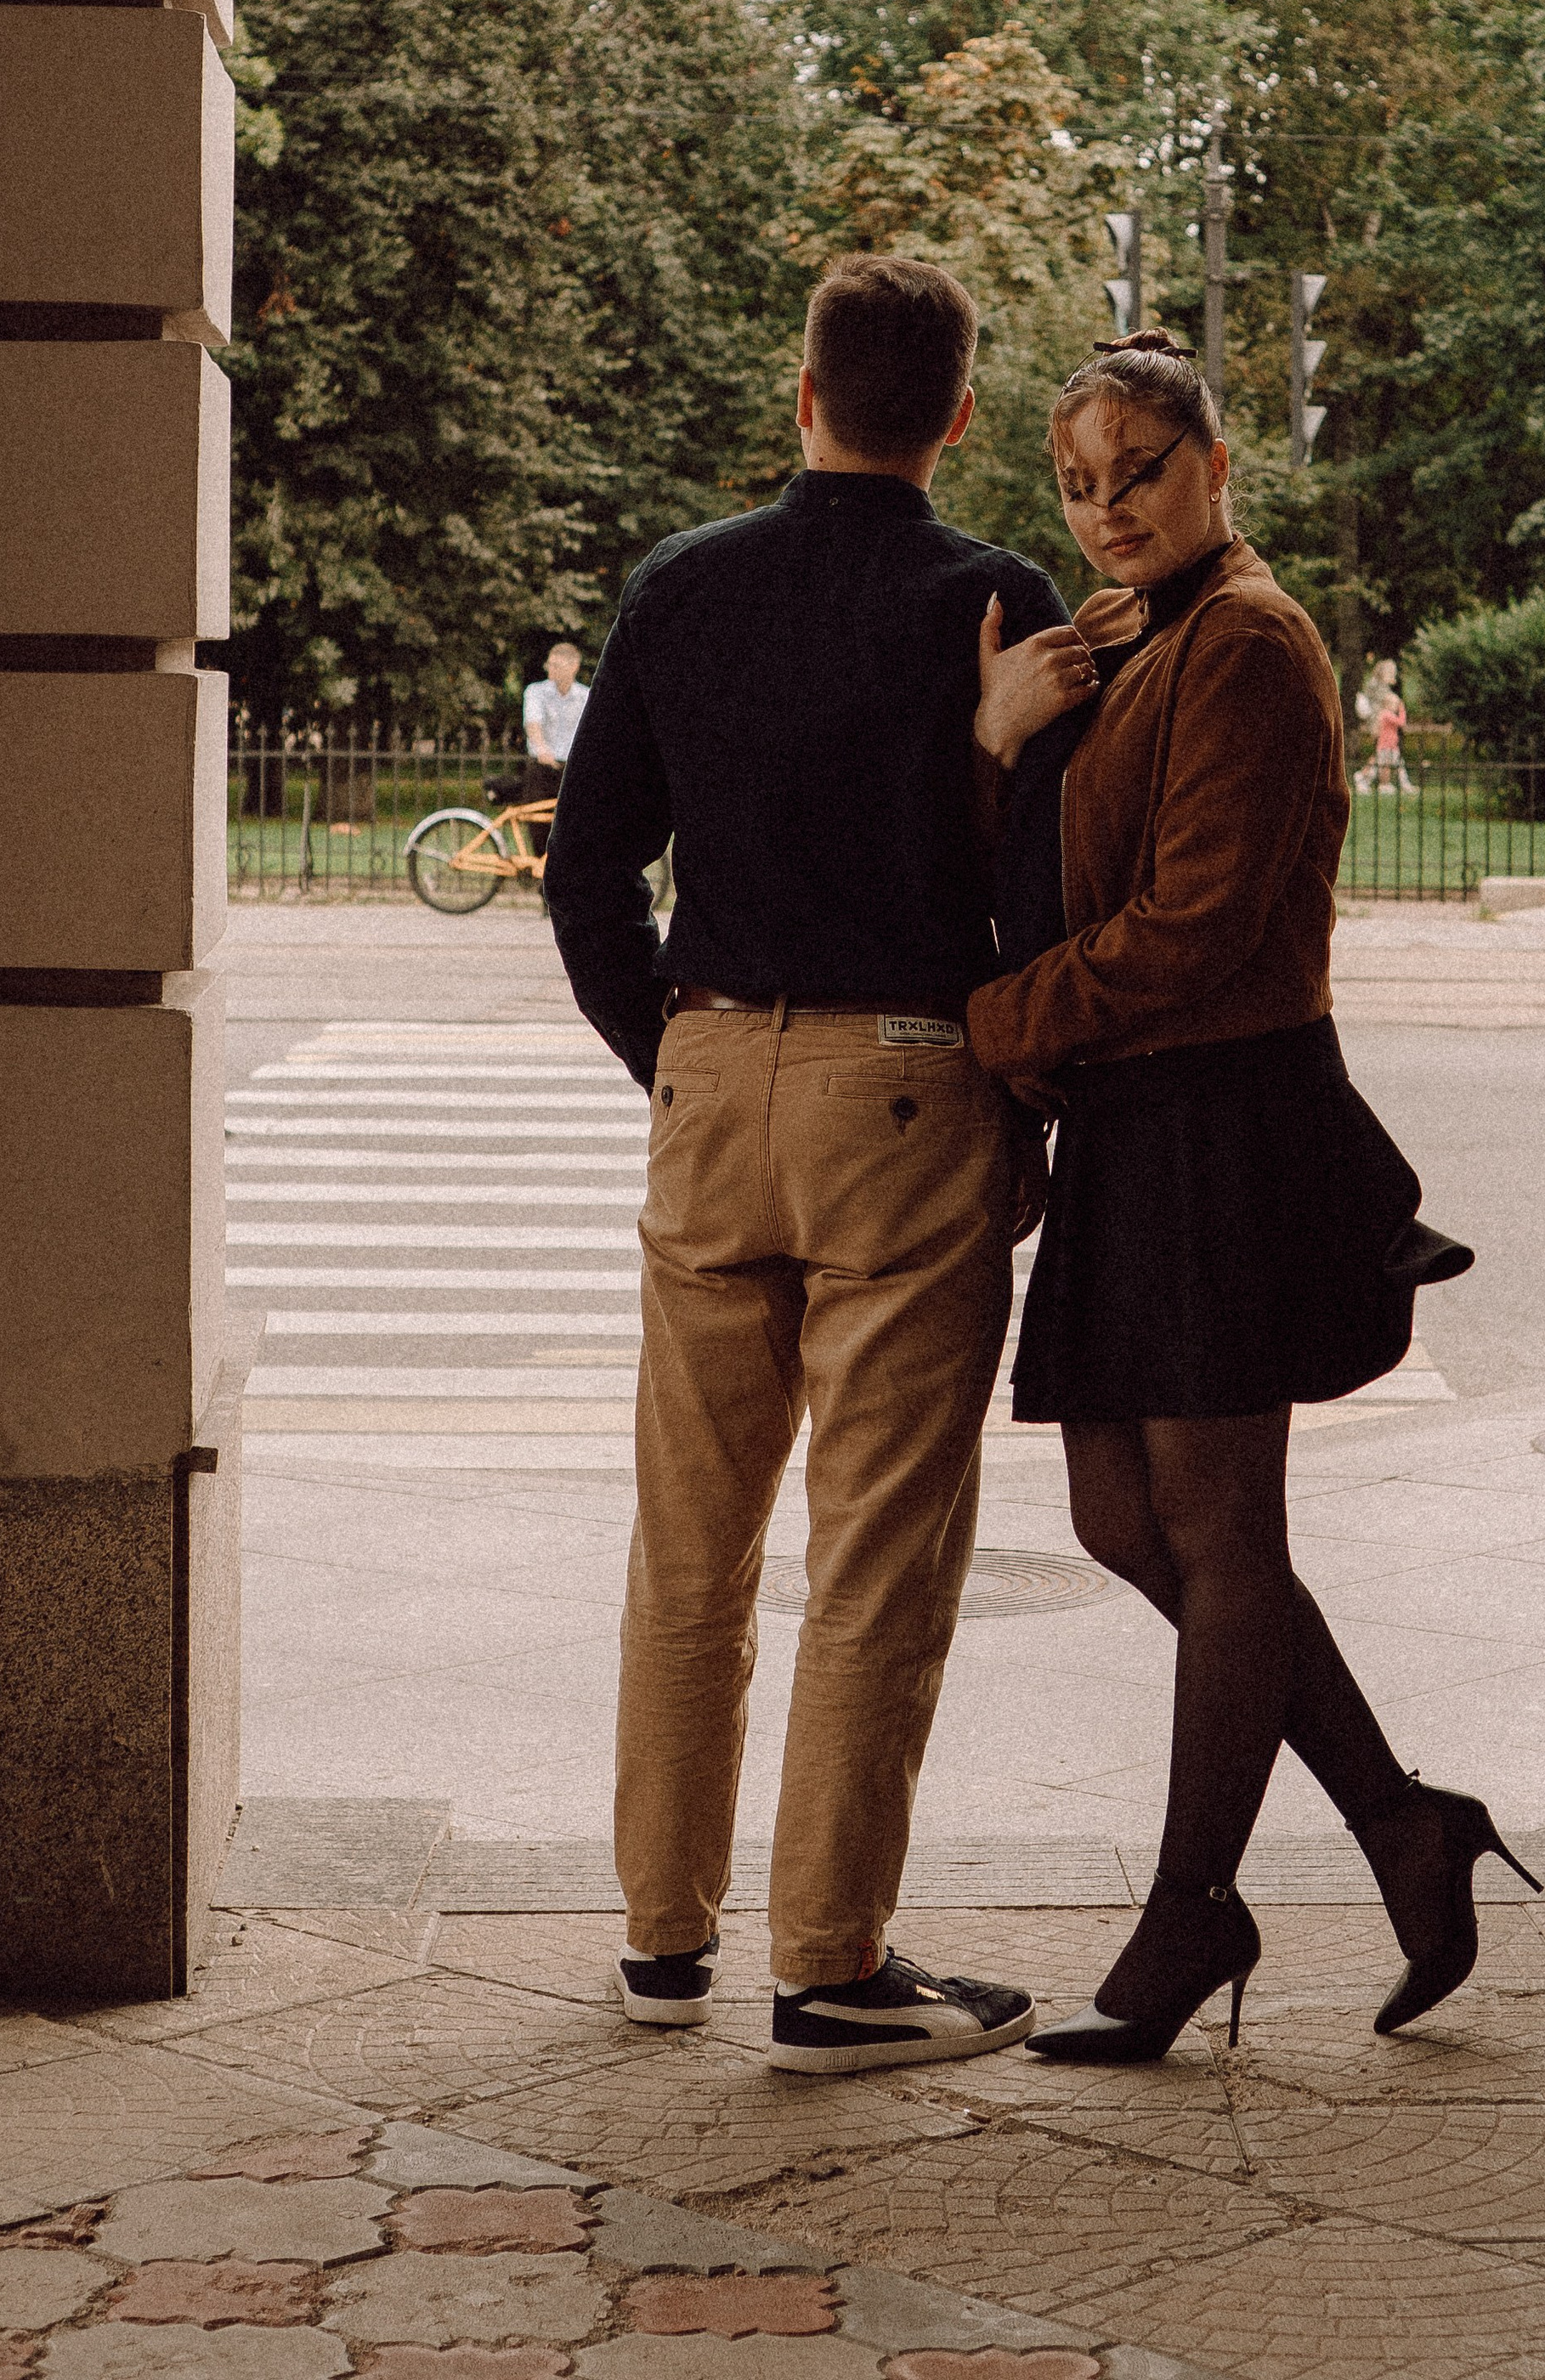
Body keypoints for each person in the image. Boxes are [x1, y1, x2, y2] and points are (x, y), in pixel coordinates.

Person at [543, 253, 1101, 2075]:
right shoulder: (995, 600)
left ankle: (662, 1934)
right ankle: (830, 1967)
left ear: (802, 394)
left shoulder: (681, 584)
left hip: (714, 1068)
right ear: (956, 415)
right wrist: (983, 755)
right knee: (876, 1555)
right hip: (908, 1084)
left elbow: (586, 870)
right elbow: (1039, 889)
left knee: (687, 1546)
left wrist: (673, 1055)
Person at [965, 335, 1527, 2066]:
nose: (1107, 507)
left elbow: (1195, 925)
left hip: (1220, 1114)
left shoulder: (1252, 642)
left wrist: (997, 1027)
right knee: (1123, 1523)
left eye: (1139, 470)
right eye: (1078, 482)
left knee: (1218, 1537)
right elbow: (1060, 866)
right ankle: (1402, 1823)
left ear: (1216, 463)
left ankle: (1193, 1906)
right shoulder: (1128, 634)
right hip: (1135, 1119)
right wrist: (1002, 737)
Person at [522, 642, 586, 815]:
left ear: (574, 667)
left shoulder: (585, 696)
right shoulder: (536, 691)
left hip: (573, 769)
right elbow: (533, 723)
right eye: (549, 664)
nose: (550, 669)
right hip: (542, 767)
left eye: (556, 665)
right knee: (538, 821)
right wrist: (541, 748)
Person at [1352, 659, 1412, 795]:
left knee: (1381, 754)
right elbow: (1385, 702)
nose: (1394, 676)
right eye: (1392, 673)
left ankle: (1376, 780)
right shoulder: (1378, 686)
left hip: (1380, 723)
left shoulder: (1380, 685)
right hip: (1379, 723)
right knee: (1381, 755)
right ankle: (1365, 777)